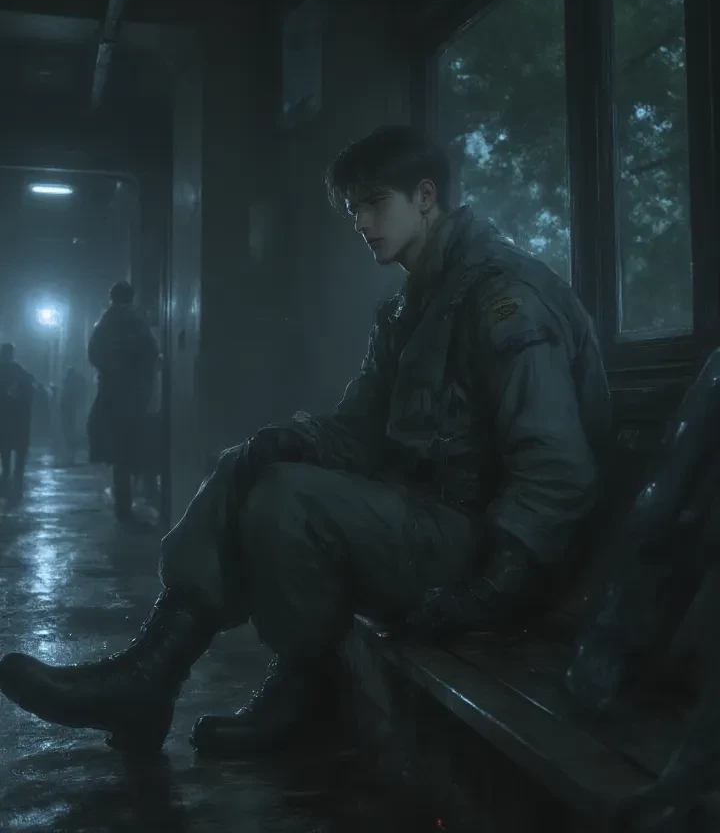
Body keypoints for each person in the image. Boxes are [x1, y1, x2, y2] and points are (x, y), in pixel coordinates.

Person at [0, 126, 612, 761]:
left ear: (426, 196)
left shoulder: (502, 294)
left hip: (493, 554)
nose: (362, 223)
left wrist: (501, 582)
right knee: (247, 466)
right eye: (354, 209)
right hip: (433, 525)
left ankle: (301, 692)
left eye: (375, 203)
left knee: (288, 499)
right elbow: (357, 430)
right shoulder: (411, 309)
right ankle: (149, 673)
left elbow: (557, 465)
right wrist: (288, 439)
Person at [86, 281, 159, 519]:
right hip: (136, 393)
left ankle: (124, 505)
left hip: (112, 393)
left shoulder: (105, 322)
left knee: (118, 453)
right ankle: (136, 497)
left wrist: (110, 370)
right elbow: (151, 353)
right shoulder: (137, 322)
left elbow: (93, 354)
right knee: (134, 447)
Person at [0, 342, 34, 503]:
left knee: (7, 455)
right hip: (16, 421)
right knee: (14, 455)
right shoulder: (19, 371)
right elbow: (30, 390)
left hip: (7, 420)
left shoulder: (16, 371)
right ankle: (15, 485)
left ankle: (9, 482)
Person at [60, 367, 87, 466]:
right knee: (70, 431)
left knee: (69, 432)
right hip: (71, 411)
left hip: (68, 411)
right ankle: (71, 453)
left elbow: (64, 398)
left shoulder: (68, 383)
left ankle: (70, 453)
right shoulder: (74, 384)